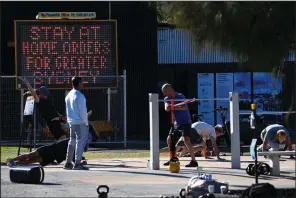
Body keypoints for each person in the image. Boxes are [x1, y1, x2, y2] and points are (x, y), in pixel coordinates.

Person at [162, 83, 198, 167]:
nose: (164, 94)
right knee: (169, 139)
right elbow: (166, 108)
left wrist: (173, 107)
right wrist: (168, 107)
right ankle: (173, 158)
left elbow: (184, 107)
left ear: (169, 89)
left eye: (165, 92)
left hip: (185, 121)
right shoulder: (166, 98)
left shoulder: (180, 96)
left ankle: (194, 161)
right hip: (176, 122)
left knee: (186, 140)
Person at [6, 135, 92, 168]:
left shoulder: (76, 148)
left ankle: (15, 164)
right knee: (31, 155)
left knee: (33, 160)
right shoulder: (72, 141)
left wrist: (80, 161)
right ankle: (12, 159)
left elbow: (73, 158)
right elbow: (73, 156)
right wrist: (80, 161)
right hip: (49, 149)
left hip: (51, 158)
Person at [64, 76, 89, 170]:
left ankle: (68, 162)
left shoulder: (68, 95)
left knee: (72, 141)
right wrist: (86, 123)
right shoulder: (80, 96)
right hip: (80, 122)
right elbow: (83, 112)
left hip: (71, 122)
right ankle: (78, 163)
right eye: (82, 82)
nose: (83, 84)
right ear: (79, 83)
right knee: (80, 141)